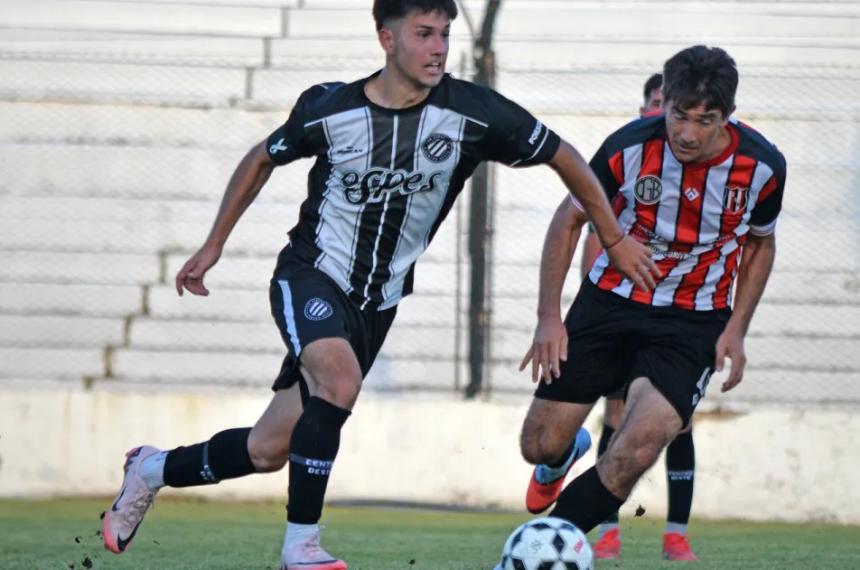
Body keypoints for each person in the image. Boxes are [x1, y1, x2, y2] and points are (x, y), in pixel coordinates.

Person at [101, 1, 655, 568]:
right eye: (423, 34)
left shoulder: (474, 112)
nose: (439, 46)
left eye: (444, 33)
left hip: (377, 302)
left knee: (268, 450)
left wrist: (612, 236)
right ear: (386, 40)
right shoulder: (331, 109)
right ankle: (301, 547)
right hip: (310, 275)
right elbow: (261, 158)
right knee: (339, 383)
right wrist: (214, 242)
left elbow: (564, 156)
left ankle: (149, 469)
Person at [517, 44, 785, 564]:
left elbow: (761, 243)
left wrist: (737, 328)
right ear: (664, 105)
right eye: (678, 116)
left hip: (693, 318)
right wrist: (549, 316)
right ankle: (558, 461)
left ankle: (546, 544)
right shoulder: (627, 148)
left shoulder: (763, 167)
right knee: (539, 444)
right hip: (611, 303)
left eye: (704, 120)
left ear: (727, 116)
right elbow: (568, 219)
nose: (686, 133)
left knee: (638, 446)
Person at [575, 72, 700, 561]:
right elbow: (589, 228)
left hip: (679, 314)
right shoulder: (628, 159)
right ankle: (607, 529)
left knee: (680, 422)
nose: (659, 112)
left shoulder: (704, 169)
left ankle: (677, 533)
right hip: (621, 308)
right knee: (618, 412)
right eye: (655, 103)